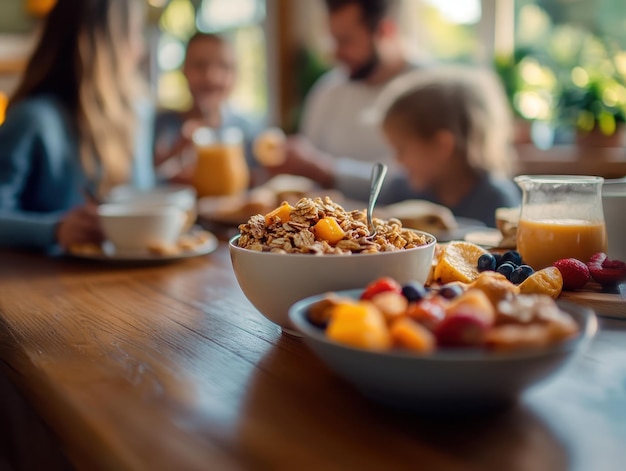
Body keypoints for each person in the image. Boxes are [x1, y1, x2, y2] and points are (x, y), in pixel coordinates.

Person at [0, 0, 152, 252]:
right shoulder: (33, 119)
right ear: (106, 45)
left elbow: (134, 195)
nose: (140, 48)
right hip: (48, 286)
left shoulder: (136, 113)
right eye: (133, 33)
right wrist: (55, 229)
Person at [269, 0, 415, 202]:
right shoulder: (328, 89)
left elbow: (413, 184)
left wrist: (327, 169)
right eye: (333, 40)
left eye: (346, 41)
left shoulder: (426, 90)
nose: (336, 53)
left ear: (385, 31)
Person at [379, 66, 521, 227]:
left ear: (441, 146)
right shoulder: (400, 191)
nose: (397, 160)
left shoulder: (496, 200)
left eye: (401, 149)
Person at [154, 32, 260, 182]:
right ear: (184, 70)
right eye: (199, 65)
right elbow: (147, 179)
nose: (211, 76)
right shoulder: (161, 127)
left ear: (235, 75)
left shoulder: (248, 133)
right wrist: (172, 156)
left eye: (223, 66)